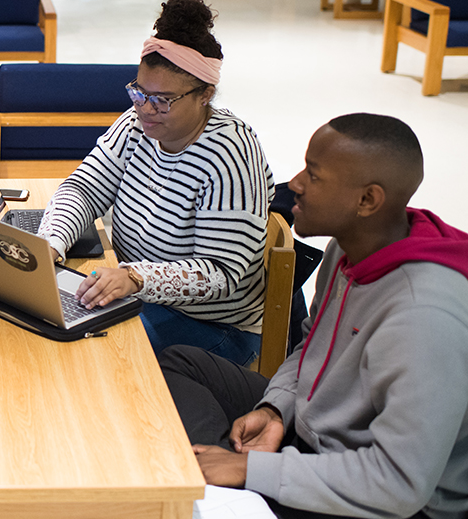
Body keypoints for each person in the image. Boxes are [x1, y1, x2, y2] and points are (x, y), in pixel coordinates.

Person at [161, 113, 468, 519]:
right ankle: (224, 482)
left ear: (367, 200)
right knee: (180, 362)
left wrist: (254, 468)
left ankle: (226, 484)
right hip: (315, 430)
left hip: (387, 497)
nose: (295, 184)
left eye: (315, 175)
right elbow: (311, 347)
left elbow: (398, 483)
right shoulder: (349, 249)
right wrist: (276, 408)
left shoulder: (424, 317)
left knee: (215, 469)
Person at [37, 0, 274, 366]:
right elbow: (83, 188)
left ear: (205, 96)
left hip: (214, 327)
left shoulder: (231, 152)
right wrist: (51, 243)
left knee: (90, 351)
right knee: (55, 325)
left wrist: (135, 277)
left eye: (163, 100)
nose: (146, 109)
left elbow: (221, 274)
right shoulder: (138, 124)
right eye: (140, 92)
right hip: (142, 296)